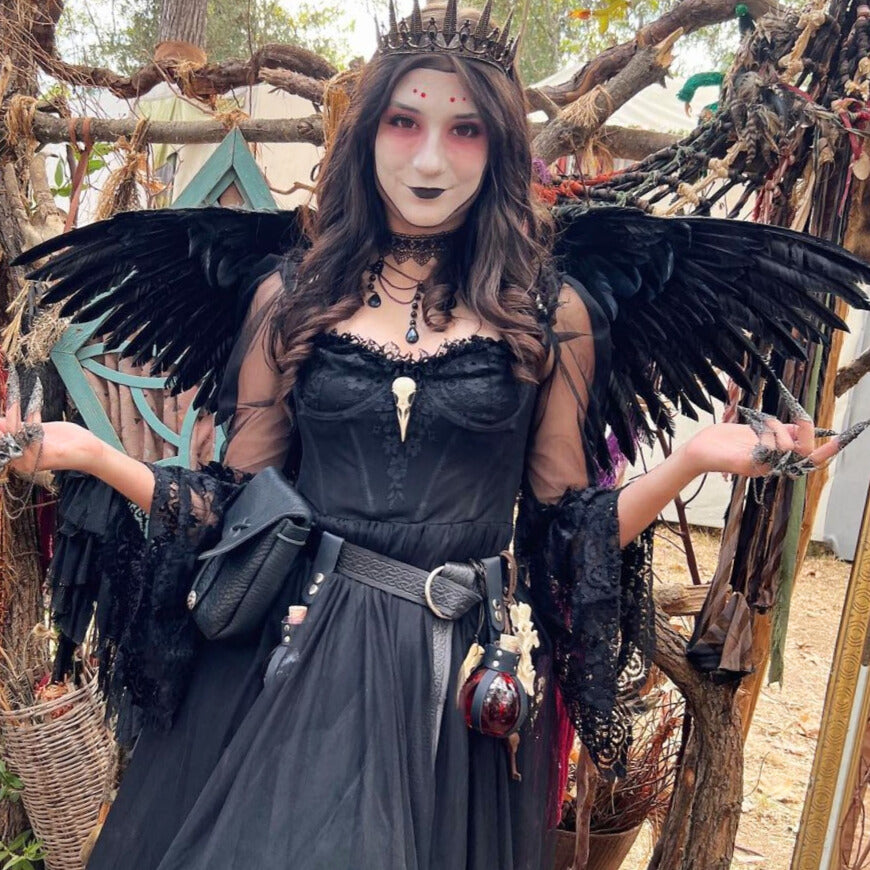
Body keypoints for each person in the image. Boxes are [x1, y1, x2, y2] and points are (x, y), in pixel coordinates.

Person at [0, 2, 856, 867]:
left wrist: (694, 459)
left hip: (459, 682)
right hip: (301, 656)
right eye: (404, 122)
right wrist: (89, 454)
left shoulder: (547, 313)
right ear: (367, 135)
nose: (430, 157)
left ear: (499, 150)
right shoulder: (288, 300)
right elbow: (234, 509)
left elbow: (565, 529)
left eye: (466, 129)